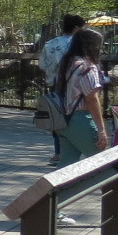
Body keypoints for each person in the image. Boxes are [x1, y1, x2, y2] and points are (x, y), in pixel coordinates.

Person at [55, 28, 118, 227]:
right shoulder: (87, 67)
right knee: (107, 165)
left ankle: (52, 210)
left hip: (63, 120)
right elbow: (92, 99)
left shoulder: (66, 63)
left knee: (65, 167)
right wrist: (102, 129)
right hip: (81, 120)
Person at [38, 15, 84, 165]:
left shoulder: (49, 44)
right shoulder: (80, 44)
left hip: (55, 85)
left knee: (57, 118)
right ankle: (77, 150)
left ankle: (59, 152)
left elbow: (42, 65)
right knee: (78, 116)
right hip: (76, 87)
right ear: (77, 28)